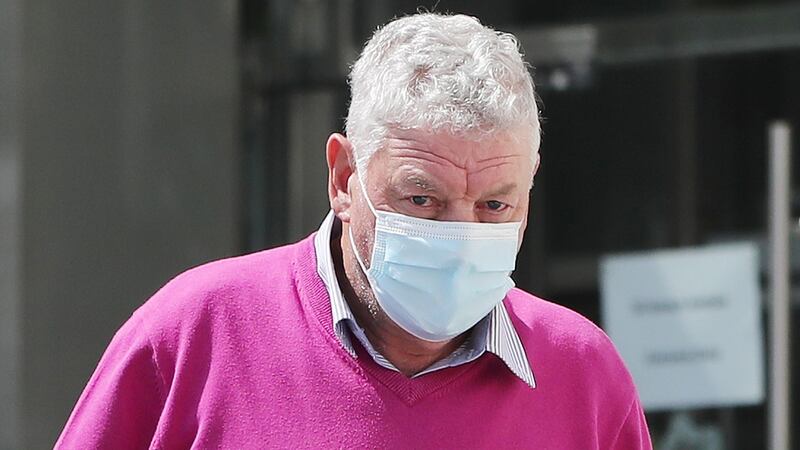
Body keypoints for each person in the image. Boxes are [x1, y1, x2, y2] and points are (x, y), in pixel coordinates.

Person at [56, 13, 652, 449]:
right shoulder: (193, 337)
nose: (461, 235)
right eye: (422, 198)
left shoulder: (583, 377)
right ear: (344, 177)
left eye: (496, 205)